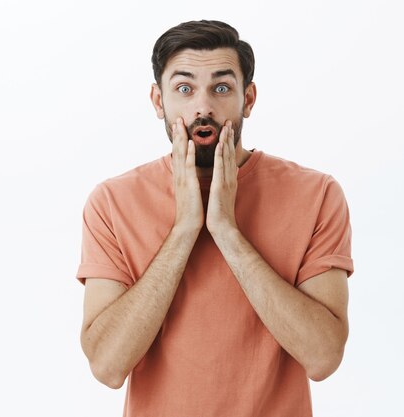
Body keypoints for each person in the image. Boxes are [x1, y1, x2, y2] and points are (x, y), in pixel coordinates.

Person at [76, 20, 353, 416]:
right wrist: (185, 228)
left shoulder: (317, 194)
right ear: (159, 101)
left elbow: (324, 357)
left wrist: (225, 230)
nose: (202, 107)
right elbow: (107, 366)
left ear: (249, 98)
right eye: (184, 89)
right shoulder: (112, 202)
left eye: (221, 88)